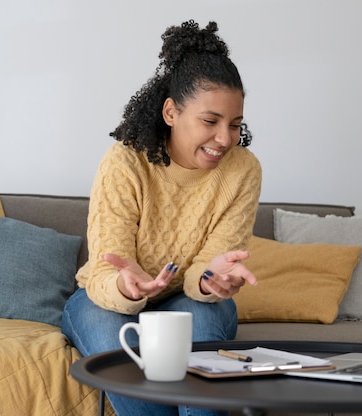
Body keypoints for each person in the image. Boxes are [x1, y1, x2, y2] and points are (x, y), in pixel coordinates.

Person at [61, 20, 262, 416]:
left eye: (235, 124)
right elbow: (105, 270)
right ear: (171, 111)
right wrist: (126, 285)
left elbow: (207, 269)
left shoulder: (243, 170)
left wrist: (211, 278)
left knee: (202, 320)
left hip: (191, 301)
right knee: (110, 332)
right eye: (210, 121)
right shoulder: (125, 162)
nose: (225, 138)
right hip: (107, 301)